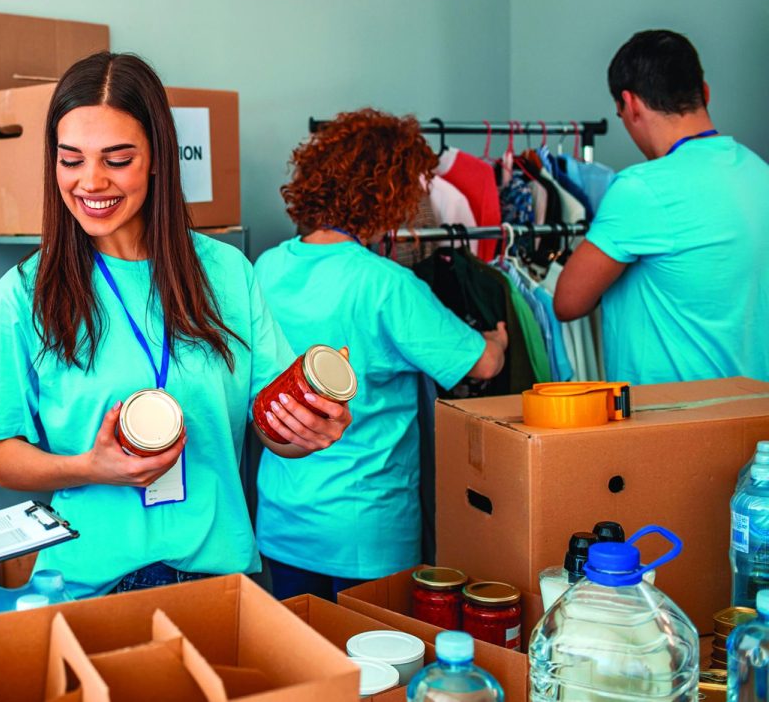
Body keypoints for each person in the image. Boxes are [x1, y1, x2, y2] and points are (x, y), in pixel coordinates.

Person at [0, 52, 352, 599]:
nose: (90, 182)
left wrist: (306, 429)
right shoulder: (20, 298)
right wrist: (91, 467)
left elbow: (268, 426)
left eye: (117, 159)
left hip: (219, 583)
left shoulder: (228, 274)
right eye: (70, 160)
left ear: (157, 159)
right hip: (86, 589)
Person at [254, 108, 507, 600]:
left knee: (306, 666)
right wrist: (498, 337)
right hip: (367, 530)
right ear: (391, 195)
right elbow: (481, 365)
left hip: (283, 521)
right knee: (374, 672)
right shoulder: (386, 285)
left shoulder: (266, 267)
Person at [555, 29, 769, 384]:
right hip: (757, 419)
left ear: (631, 104)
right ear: (705, 92)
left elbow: (568, 302)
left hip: (675, 425)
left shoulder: (641, 189)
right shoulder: (759, 172)